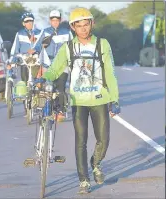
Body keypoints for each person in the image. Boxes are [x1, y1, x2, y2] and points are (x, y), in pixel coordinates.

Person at [41, 7, 121, 194]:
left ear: (91, 24)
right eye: (79, 26)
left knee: (104, 139)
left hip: (100, 99)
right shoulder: (68, 48)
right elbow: (55, 69)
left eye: (86, 25)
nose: (83, 29)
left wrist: (114, 99)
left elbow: (110, 73)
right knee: (80, 141)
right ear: (73, 28)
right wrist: (44, 78)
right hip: (79, 101)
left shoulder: (103, 44)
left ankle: (95, 163)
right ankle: (84, 180)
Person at [34, 10, 73, 122]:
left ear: (60, 20)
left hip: (62, 65)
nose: (55, 22)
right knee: (47, 88)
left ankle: (60, 110)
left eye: (57, 20)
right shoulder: (45, 32)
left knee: (60, 88)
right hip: (48, 64)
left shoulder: (67, 32)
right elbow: (37, 45)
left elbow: (73, 47)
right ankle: (46, 108)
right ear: (50, 21)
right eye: (53, 20)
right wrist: (33, 51)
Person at [8, 12, 41, 83]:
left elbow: (44, 47)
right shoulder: (19, 34)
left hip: (37, 63)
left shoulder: (40, 33)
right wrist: (11, 61)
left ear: (33, 21)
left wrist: (36, 50)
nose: (29, 23)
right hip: (24, 62)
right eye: (27, 21)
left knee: (38, 83)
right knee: (24, 83)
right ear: (23, 23)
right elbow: (14, 51)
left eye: (31, 21)